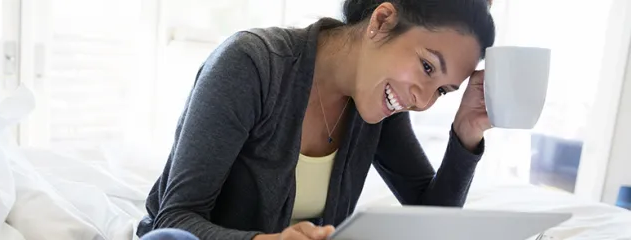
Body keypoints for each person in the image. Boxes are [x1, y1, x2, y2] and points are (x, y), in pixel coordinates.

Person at [137, 0, 495, 239]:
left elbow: (433, 222)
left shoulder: (379, 106)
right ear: (382, 20)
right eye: (427, 66)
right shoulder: (252, 64)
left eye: (443, 91)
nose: (422, 100)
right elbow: (175, 218)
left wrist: (467, 134)